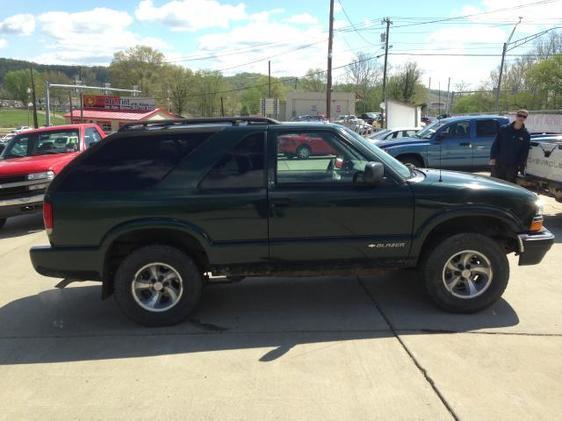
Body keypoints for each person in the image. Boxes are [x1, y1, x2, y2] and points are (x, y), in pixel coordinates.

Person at [489, 110, 531, 183]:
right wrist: (492, 158)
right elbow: (496, 144)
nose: (521, 118)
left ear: (526, 118)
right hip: (499, 163)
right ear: (516, 116)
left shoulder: (525, 134)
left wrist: (521, 166)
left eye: (524, 116)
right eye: (520, 115)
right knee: (495, 184)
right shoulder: (504, 129)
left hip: (512, 166)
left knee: (509, 186)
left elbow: (524, 152)